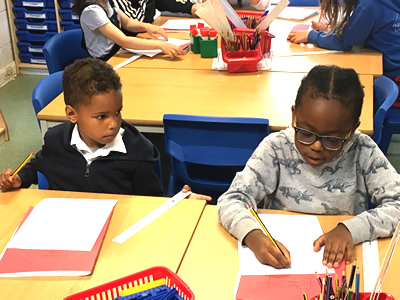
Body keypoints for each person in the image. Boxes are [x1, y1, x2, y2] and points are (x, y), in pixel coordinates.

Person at [217, 65, 400, 269]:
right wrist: (253, 236)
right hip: (281, 262)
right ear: (294, 116)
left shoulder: (363, 151)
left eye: (332, 139)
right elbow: (232, 200)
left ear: (351, 131)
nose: (316, 146)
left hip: (341, 262)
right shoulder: (276, 148)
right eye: (305, 133)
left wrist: (351, 230)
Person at [0, 58, 211, 202]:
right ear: (72, 114)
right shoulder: (56, 140)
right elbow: (40, 164)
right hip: (68, 225)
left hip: (117, 230)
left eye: (117, 112)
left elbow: (150, 202)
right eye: (101, 116)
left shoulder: (138, 151)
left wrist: (177, 200)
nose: (113, 123)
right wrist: (21, 178)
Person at [287, 0, 400, 106]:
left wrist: (309, 36)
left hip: (394, 79)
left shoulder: (369, 4)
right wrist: (330, 28)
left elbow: (344, 42)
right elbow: (357, 28)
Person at [72, 0, 184, 61]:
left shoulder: (109, 2)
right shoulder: (92, 11)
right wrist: (160, 45)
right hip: (105, 61)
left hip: (118, 53)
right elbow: (123, 40)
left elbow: (128, 23)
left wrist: (146, 26)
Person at [115, 0, 198, 24]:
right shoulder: (116, 2)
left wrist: (190, 7)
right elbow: (135, 22)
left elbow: (165, 2)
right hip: (118, 51)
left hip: (145, 37)